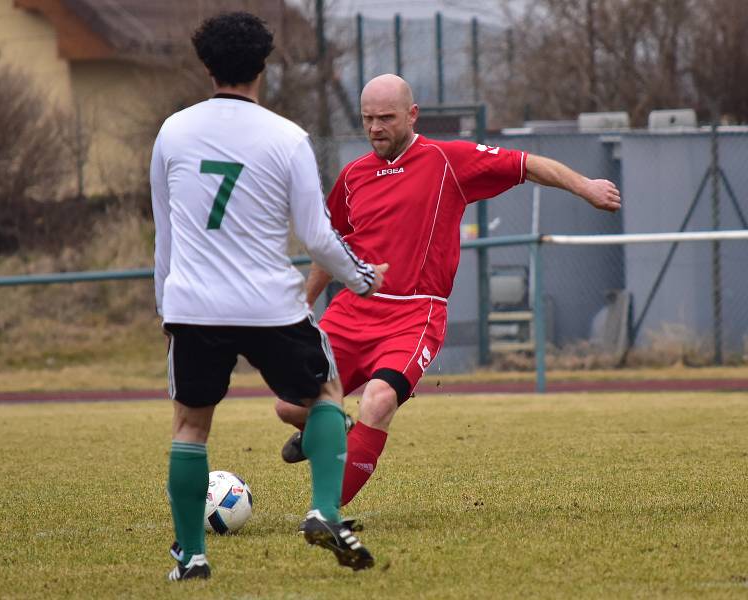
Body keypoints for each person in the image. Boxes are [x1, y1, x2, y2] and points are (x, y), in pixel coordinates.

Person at [275, 73, 622, 506]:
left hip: (413, 315)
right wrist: (303, 306)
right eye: (368, 119)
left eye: (386, 117)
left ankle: (324, 513)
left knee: (379, 401)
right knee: (289, 407)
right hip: (352, 312)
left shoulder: (447, 160)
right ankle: (335, 427)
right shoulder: (353, 176)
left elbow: (526, 163)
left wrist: (585, 187)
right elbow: (330, 246)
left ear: (412, 114)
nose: (376, 128)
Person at [151, 13, 388, 580]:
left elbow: (165, 235)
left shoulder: (173, 132)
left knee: (190, 427)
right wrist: (361, 278)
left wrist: (167, 307)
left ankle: (192, 558)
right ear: (264, 66)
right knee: (327, 394)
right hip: (269, 305)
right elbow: (318, 237)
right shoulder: (287, 137)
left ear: (207, 67)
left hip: (194, 304)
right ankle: (324, 511)